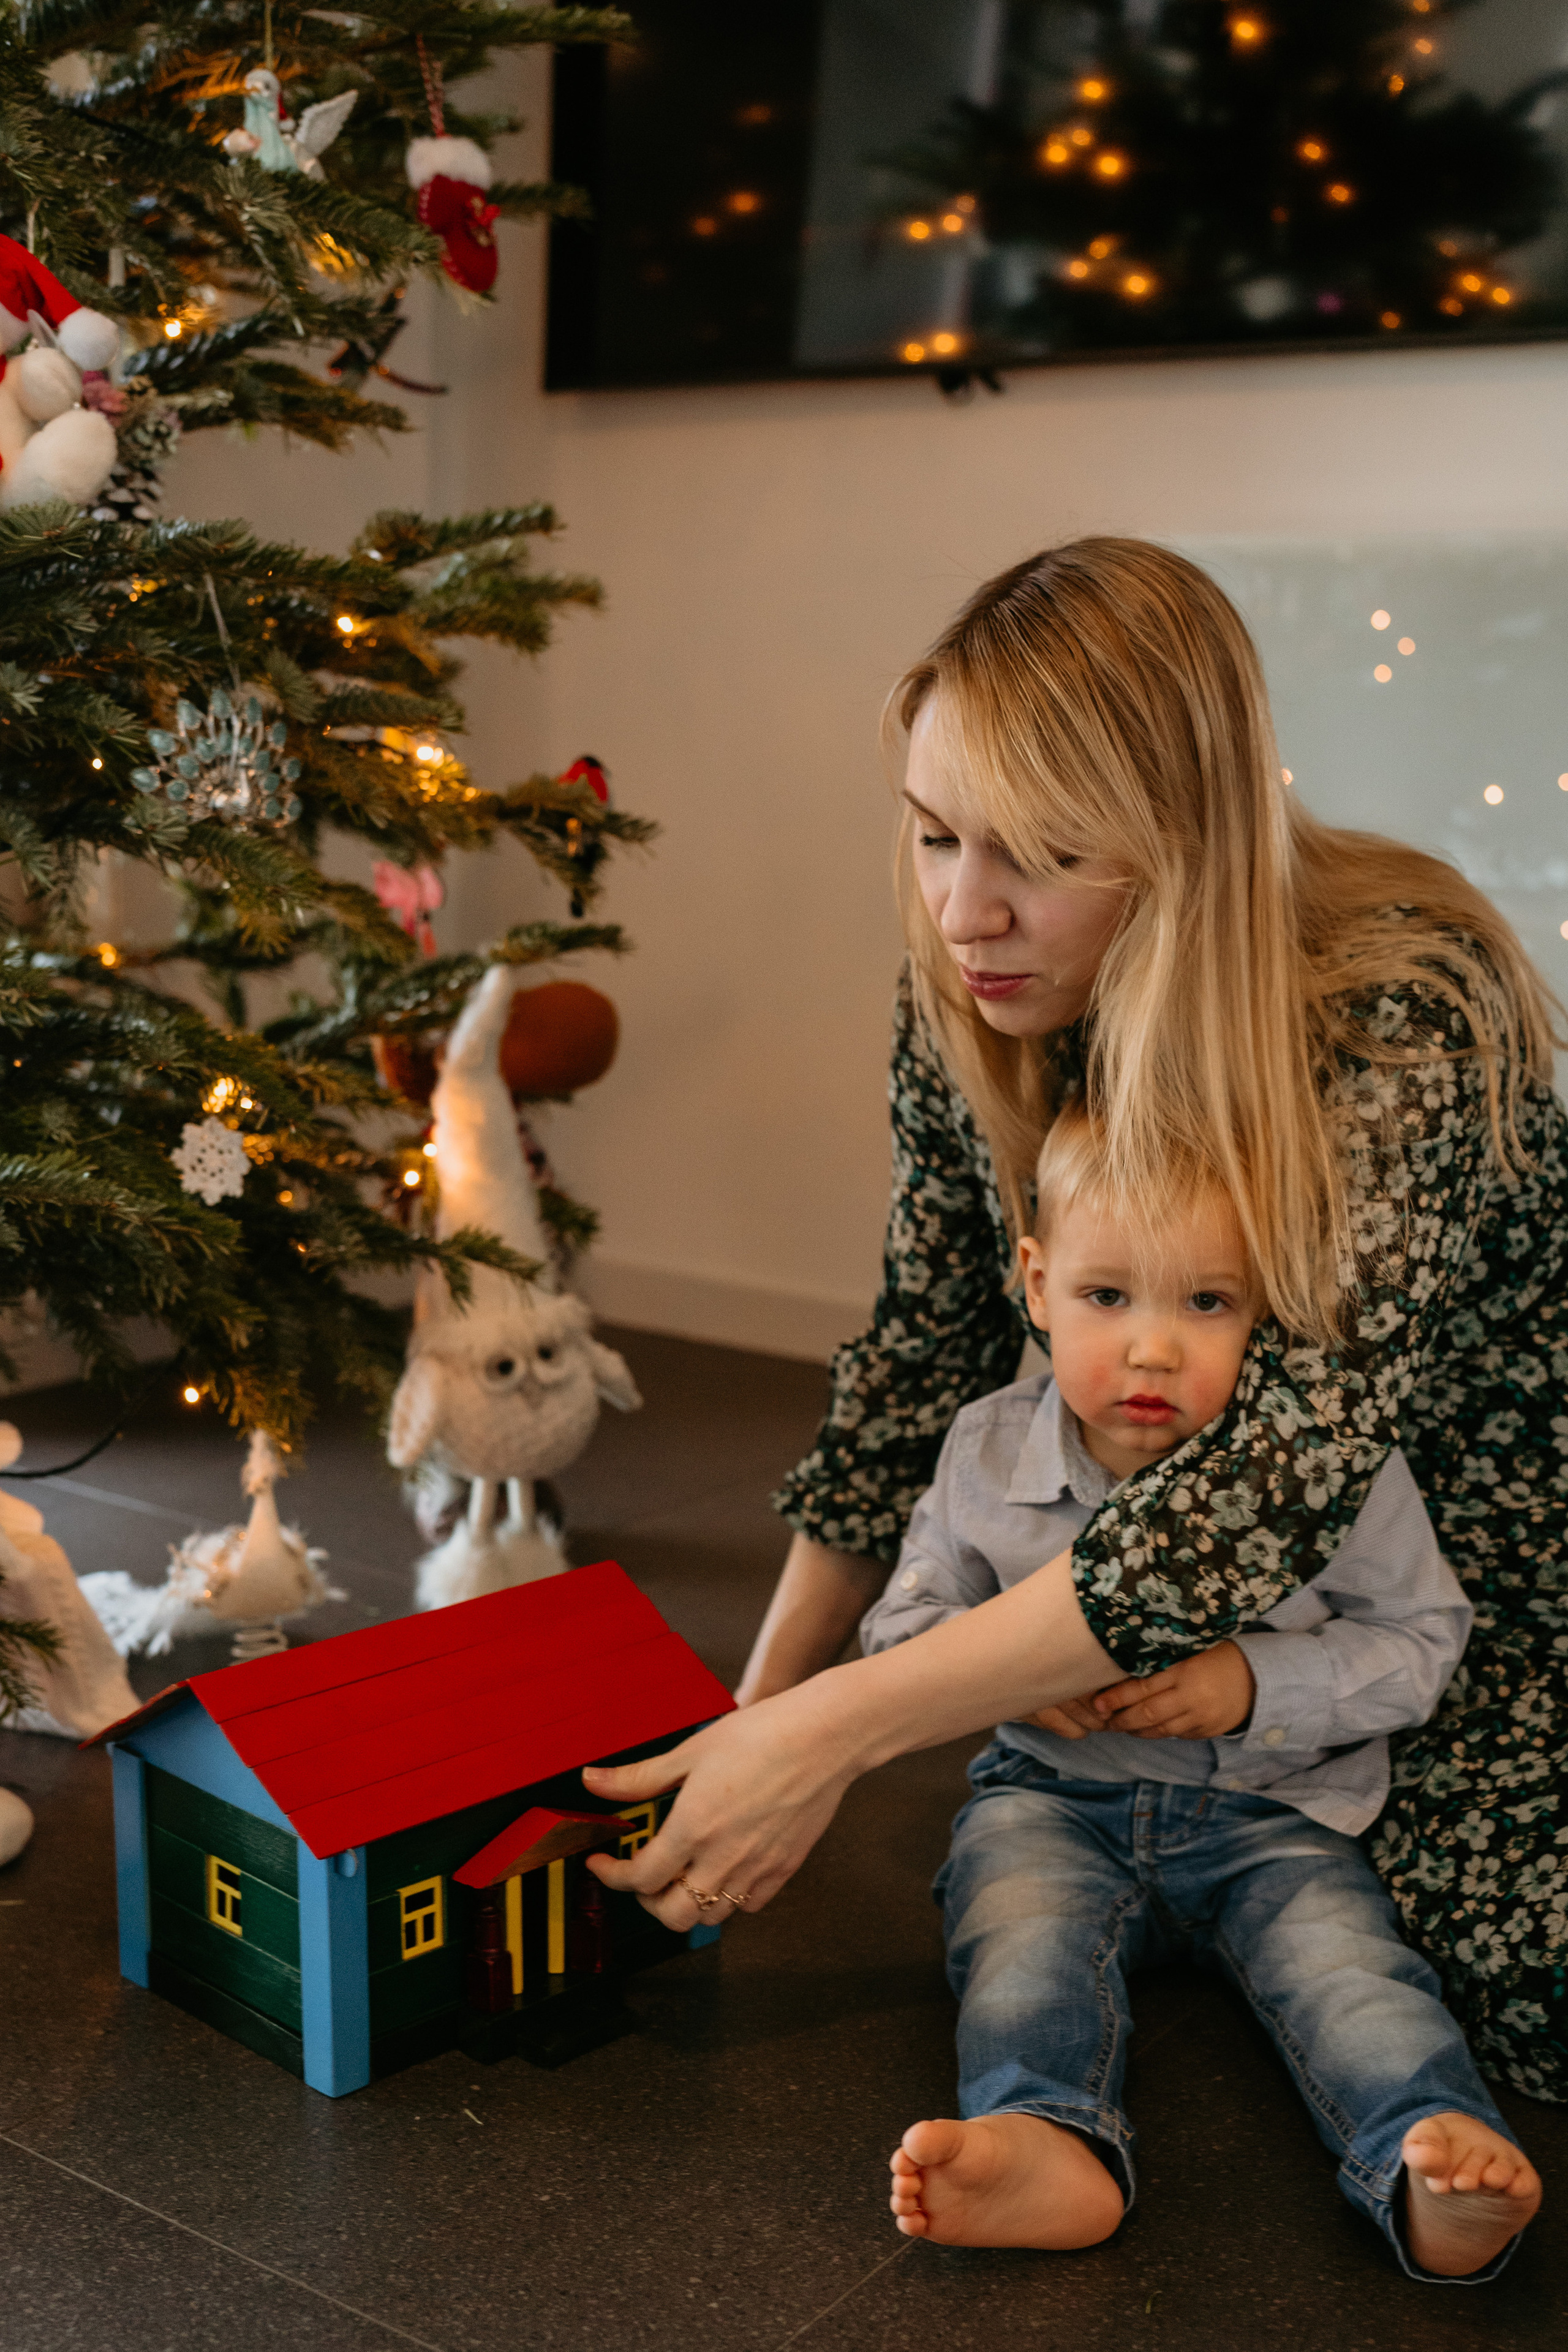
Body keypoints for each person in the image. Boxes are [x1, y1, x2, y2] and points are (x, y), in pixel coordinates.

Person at [586, 538, 1568, 2102]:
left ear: (1180, 844)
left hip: (1465, 1574)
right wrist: (756, 1720)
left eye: (1033, 855)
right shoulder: (972, 986)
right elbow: (921, 1349)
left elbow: (1271, 1485)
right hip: (1184, 1585)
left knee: (1508, 2014)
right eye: (929, 835)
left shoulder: (1405, 1007)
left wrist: (842, 1733)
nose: (963, 911)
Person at [864, 1102, 1539, 2278]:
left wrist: (1252, 1680)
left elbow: (1424, 1640)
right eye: (1107, 1297)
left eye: (1207, 1304)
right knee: (1017, 1937)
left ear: (1264, 1307)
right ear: (1036, 1281)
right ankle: (1045, 2133)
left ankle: (1434, 2160)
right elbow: (902, 1629)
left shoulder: (1335, 1465)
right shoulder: (984, 1451)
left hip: (1280, 1815)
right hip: (1055, 1796)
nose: (1154, 1350)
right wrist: (1012, 1678)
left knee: (1353, 1974)